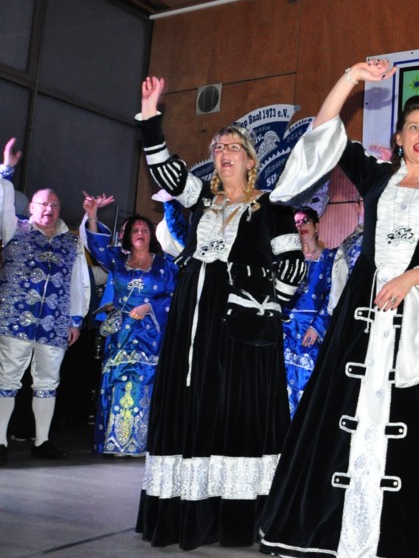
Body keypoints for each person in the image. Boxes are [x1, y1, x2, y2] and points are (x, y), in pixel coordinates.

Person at [260, 59, 419, 558]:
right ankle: (331, 529)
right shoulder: (374, 176)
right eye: (413, 127)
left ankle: (409, 533)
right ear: (398, 137)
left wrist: (409, 278)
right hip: (361, 313)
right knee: (336, 416)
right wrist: (349, 78)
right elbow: (325, 132)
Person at [134, 76, 306, 549]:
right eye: (218, 147)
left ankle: (236, 517)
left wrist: (261, 309)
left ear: (251, 160)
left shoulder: (271, 207)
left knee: (234, 410)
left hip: (238, 328)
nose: (224, 152)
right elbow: (169, 175)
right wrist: (150, 118)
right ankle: (185, 513)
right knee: (191, 406)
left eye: (234, 147)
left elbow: (293, 267)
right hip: (191, 320)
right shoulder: (202, 200)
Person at [0, 170, 91, 466]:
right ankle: (0, 441)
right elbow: (2, 205)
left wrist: (75, 319)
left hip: (54, 323)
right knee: (6, 380)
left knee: (48, 382)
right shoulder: (14, 229)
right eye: (43, 204)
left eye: (54, 205)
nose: (49, 209)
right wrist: (6, 172)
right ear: (31, 207)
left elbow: (79, 282)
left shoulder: (71, 243)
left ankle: (42, 441)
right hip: (15, 320)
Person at [82, 197, 178, 456]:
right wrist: (93, 215)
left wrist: (149, 307)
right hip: (121, 334)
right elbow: (97, 249)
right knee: (118, 379)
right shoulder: (117, 258)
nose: (140, 233)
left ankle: (141, 442)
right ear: (128, 235)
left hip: (151, 334)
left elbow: (176, 297)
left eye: (145, 229)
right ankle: (117, 441)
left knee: (145, 381)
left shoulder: (165, 265)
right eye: (135, 229)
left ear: (151, 235)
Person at [283, 205, 336, 416]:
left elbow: (333, 295)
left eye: (305, 221)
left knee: (309, 381)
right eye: (296, 222)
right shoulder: (287, 259)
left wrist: (317, 327)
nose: (301, 225)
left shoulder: (330, 258)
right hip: (286, 328)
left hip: (312, 330)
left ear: (317, 226)